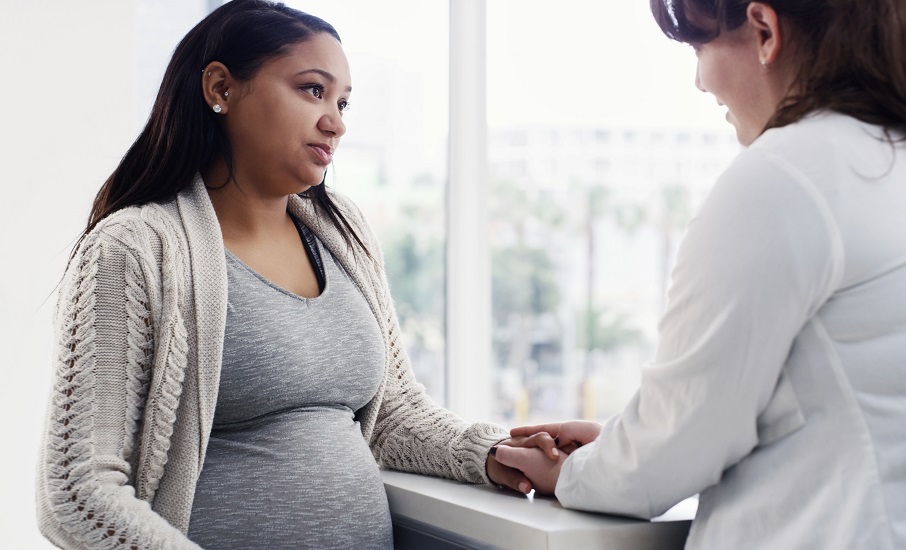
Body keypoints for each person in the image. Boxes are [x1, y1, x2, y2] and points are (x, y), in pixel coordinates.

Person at [35, 2, 534, 548]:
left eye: (342, 102)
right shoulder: (133, 247)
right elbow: (76, 491)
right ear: (221, 88)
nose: (336, 122)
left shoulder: (342, 233)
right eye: (312, 90)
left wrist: (496, 454)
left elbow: (392, 414)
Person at [491, 0, 906, 548]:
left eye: (699, 47)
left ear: (765, 31)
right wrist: (623, 441)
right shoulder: (885, 161)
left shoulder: (782, 180)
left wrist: (573, 472)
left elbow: (665, 454)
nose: (699, 81)